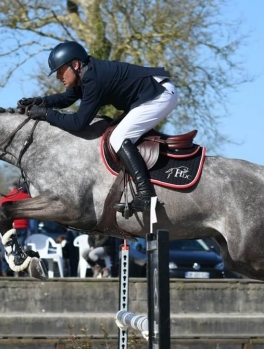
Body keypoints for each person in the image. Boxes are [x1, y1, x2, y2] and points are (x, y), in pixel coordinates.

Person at [18, 41, 177, 218]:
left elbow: (79, 123)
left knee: (118, 138)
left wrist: (46, 114)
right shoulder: (86, 75)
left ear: (75, 64)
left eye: (60, 71)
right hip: (150, 93)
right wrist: (40, 102)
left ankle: (146, 195)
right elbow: (66, 98)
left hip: (159, 94)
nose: (58, 77)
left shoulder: (93, 79)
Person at [0, 181, 32, 249]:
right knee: (20, 248)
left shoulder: (5, 198)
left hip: (10, 227)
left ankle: (7, 259)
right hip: (23, 226)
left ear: (11, 189)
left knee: (9, 248)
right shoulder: (27, 196)